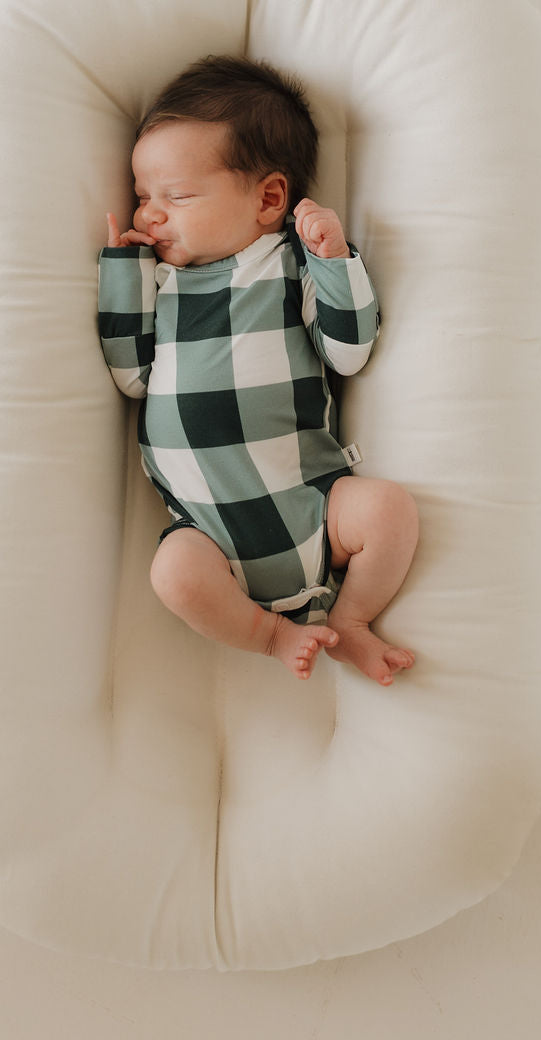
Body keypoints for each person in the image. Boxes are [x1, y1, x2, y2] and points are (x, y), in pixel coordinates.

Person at [97, 55, 418, 685]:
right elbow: (130, 374)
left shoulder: (286, 264)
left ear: (269, 197)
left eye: (177, 196)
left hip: (317, 506)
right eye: (143, 198)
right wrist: (121, 273)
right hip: (208, 537)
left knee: (388, 511)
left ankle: (351, 620)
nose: (150, 214)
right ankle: (270, 634)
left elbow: (349, 351)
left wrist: (335, 261)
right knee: (171, 574)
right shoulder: (165, 285)